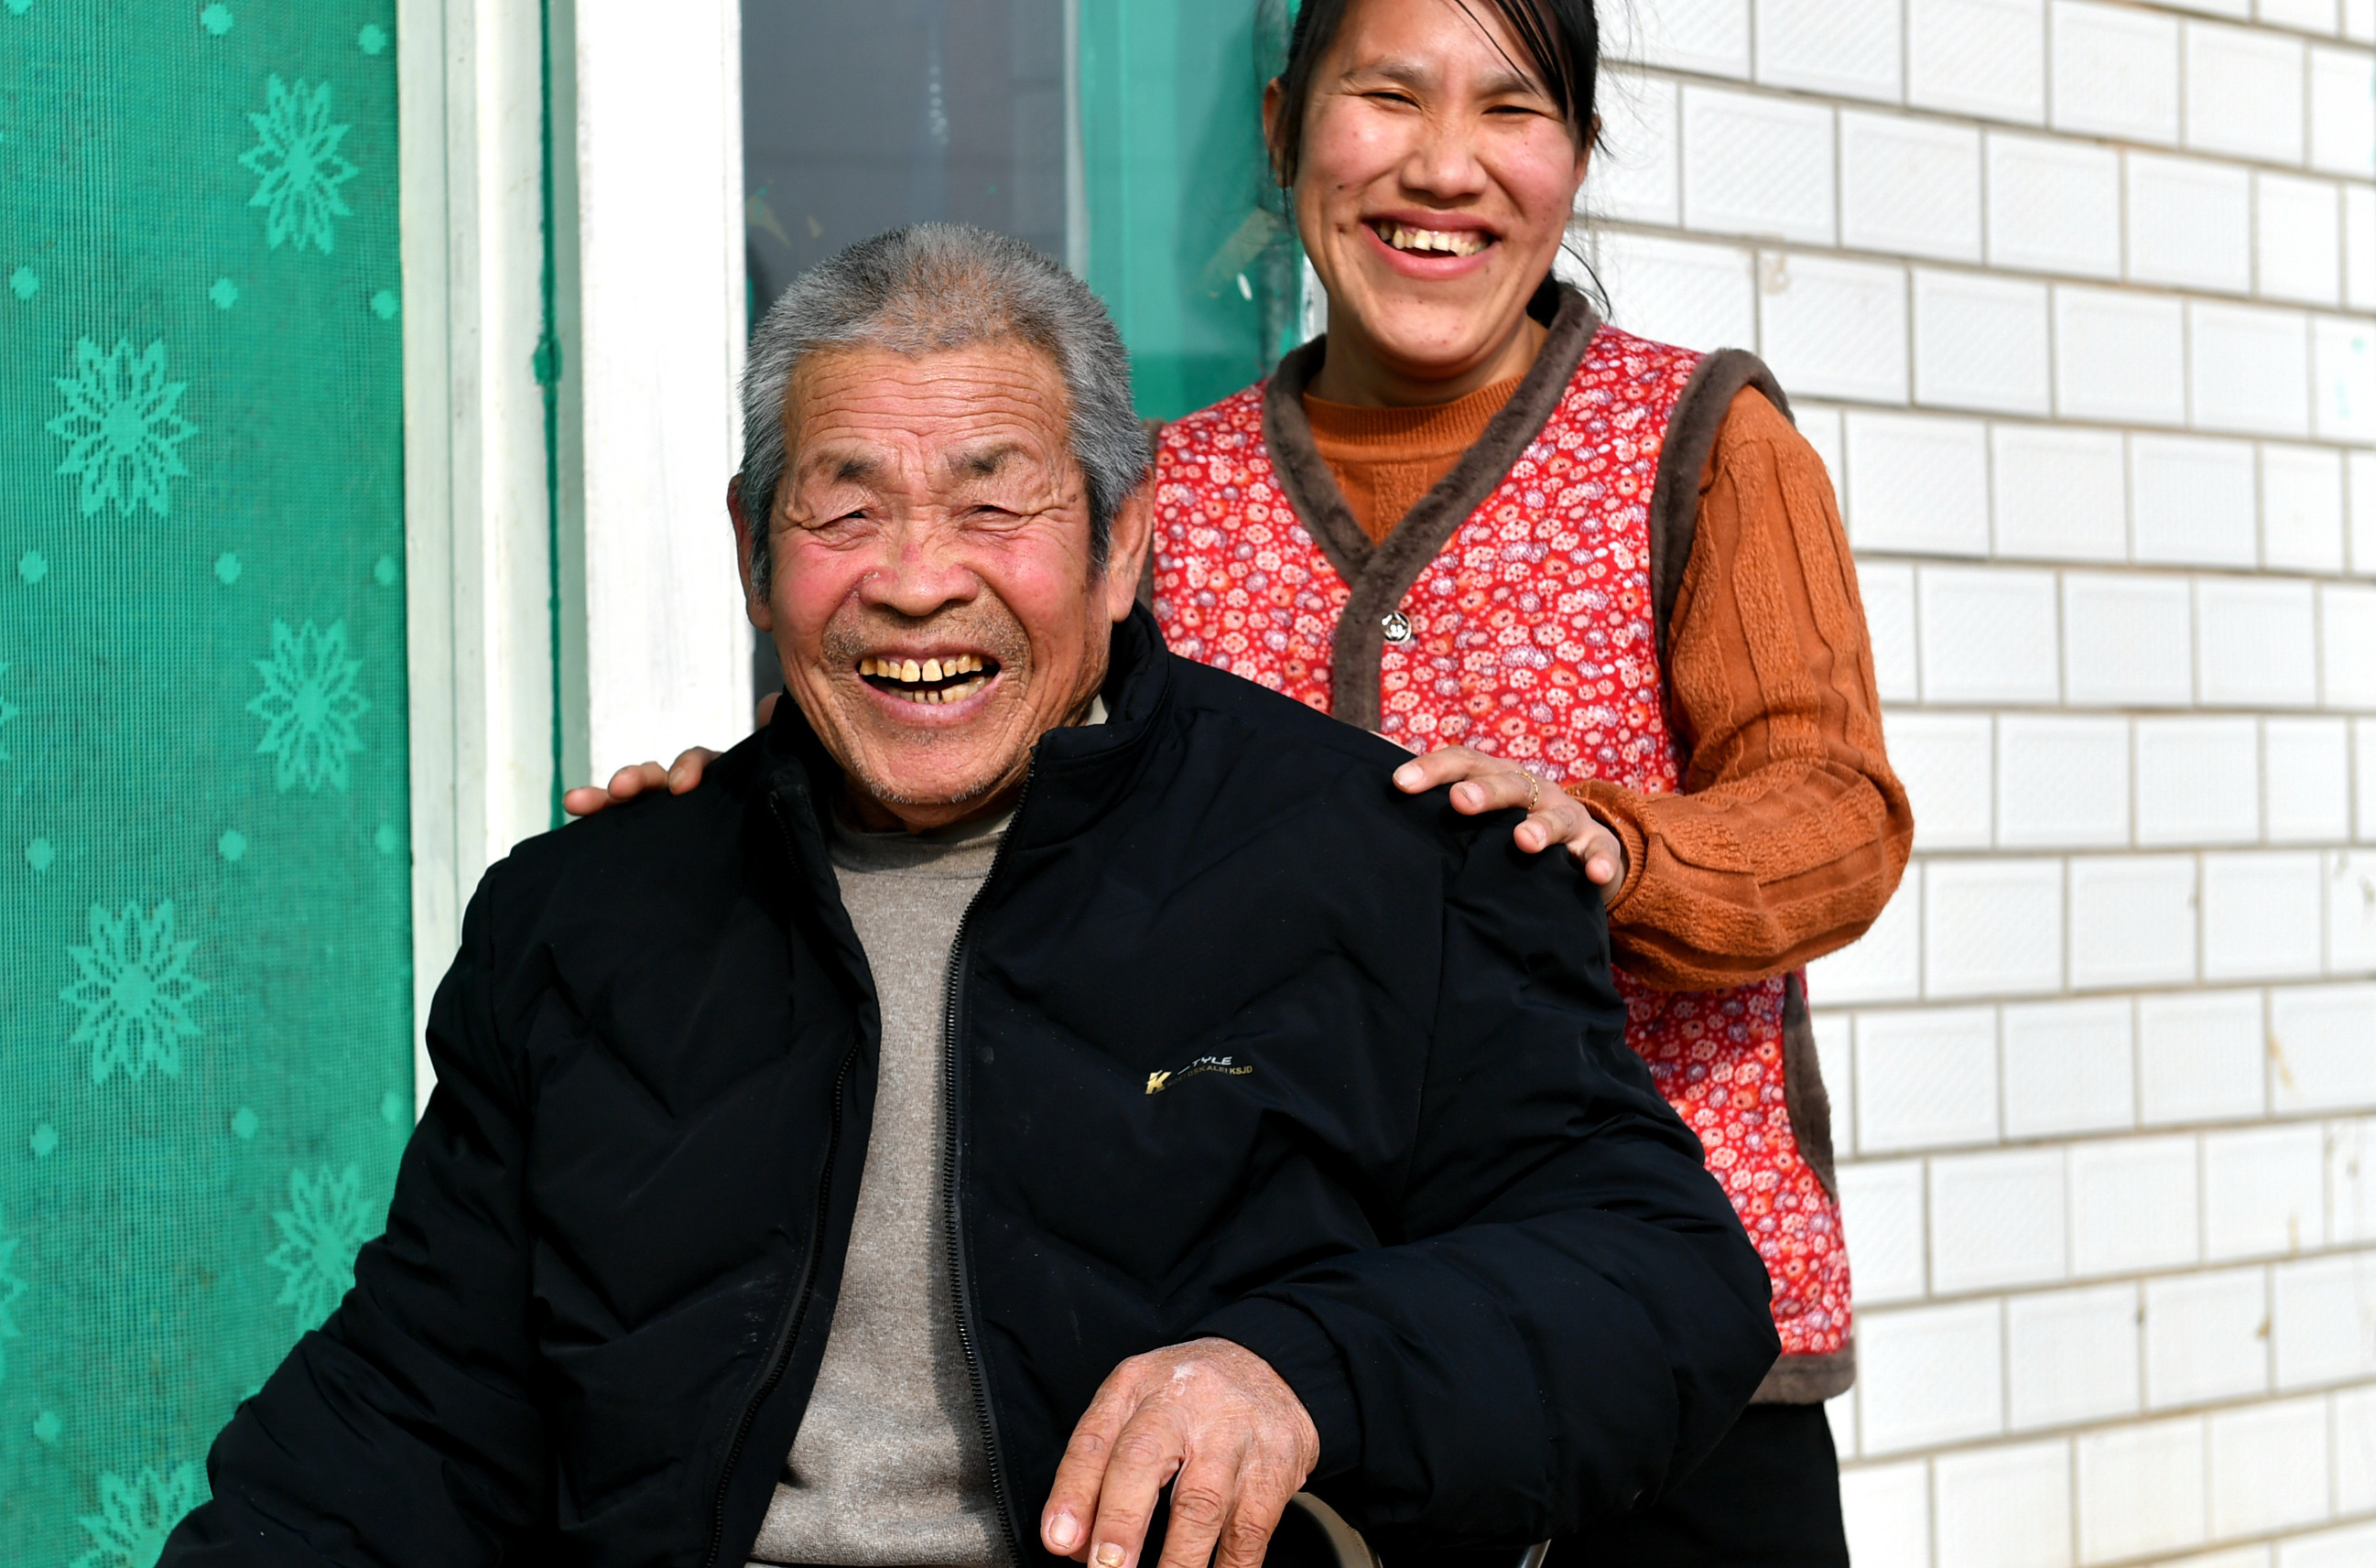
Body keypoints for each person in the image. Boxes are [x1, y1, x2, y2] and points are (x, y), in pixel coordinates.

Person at [570, 0, 1911, 1567]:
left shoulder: (1696, 439)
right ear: (1284, 129)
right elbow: (964, 738)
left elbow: (1838, 813)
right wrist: (740, 811)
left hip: (1636, 1332)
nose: (1443, 165)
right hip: (1259, 1367)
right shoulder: (1161, 491)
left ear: (1575, 157)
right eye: (1387, 95)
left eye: (1513, 110)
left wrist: (1616, 841)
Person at [160, 224, 1779, 1568]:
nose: (917, 579)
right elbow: (413, 1411)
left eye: (995, 501)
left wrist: (1305, 1366)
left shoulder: (1393, 869)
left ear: (1123, 542)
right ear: (753, 551)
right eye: (845, 506)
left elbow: (1663, 1282)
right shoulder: (590, 919)